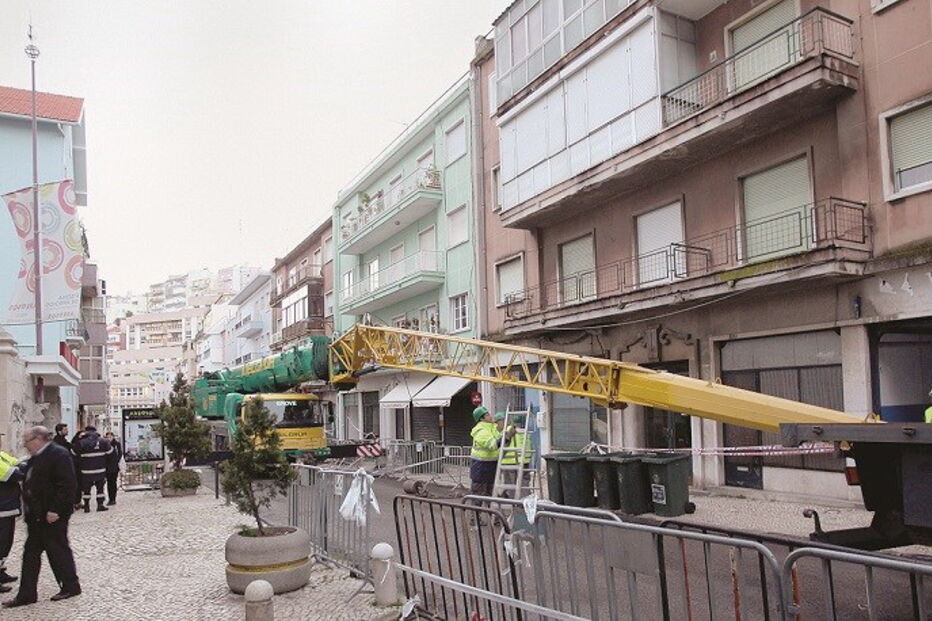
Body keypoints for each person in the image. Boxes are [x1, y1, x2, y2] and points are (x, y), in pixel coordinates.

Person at [3, 426, 81, 608]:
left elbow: (67, 485)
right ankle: (27, 594)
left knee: (58, 551)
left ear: (38, 439)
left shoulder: (58, 454)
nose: (25, 445)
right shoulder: (37, 457)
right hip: (37, 516)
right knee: (31, 554)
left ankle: (71, 585)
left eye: (27, 441)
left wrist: (56, 510)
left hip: (51, 515)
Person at [0, 434, 25, 592]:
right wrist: (19, 468)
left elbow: (19, 463)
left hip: (7, 507)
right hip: (2, 508)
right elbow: (15, 474)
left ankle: (1, 571)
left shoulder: (2, 455)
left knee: (5, 543)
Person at [469, 406, 513, 496]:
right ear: (482, 418)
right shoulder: (480, 430)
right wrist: (505, 438)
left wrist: (508, 436)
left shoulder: (492, 428)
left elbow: (500, 439)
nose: (490, 416)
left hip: (491, 465)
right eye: (487, 415)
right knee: (478, 494)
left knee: (491, 494)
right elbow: (493, 445)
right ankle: (476, 510)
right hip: (480, 466)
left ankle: (489, 510)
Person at [72, 426, 113, 513]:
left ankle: (86, 506)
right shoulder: (103, 441)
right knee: (100, 489)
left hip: (86, 471)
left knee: (86, 490)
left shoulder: (81, 442)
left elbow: (73, 453)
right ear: (95, 431)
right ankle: (100, 505)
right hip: (100, 470)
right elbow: (110, 453)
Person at [499, 413, 534, 498]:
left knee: (511, 485)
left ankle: (513, 502)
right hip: (524, 461)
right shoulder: (526, 432)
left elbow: (500, 445)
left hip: (509, 461)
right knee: (524, 483)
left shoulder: (508, 430)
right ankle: (525, 501)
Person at [104, 431, 122, 506]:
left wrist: (116, 461)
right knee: (109, 483)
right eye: (107, 437)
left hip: (114, 466)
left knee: (113, 483)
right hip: (107, 467)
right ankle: (110, 498)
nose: (109, 438)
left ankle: (113, 498)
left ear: (113, 437)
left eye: (110, 437)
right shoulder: (105, 445)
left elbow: (120, 454)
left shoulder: (116, 444)